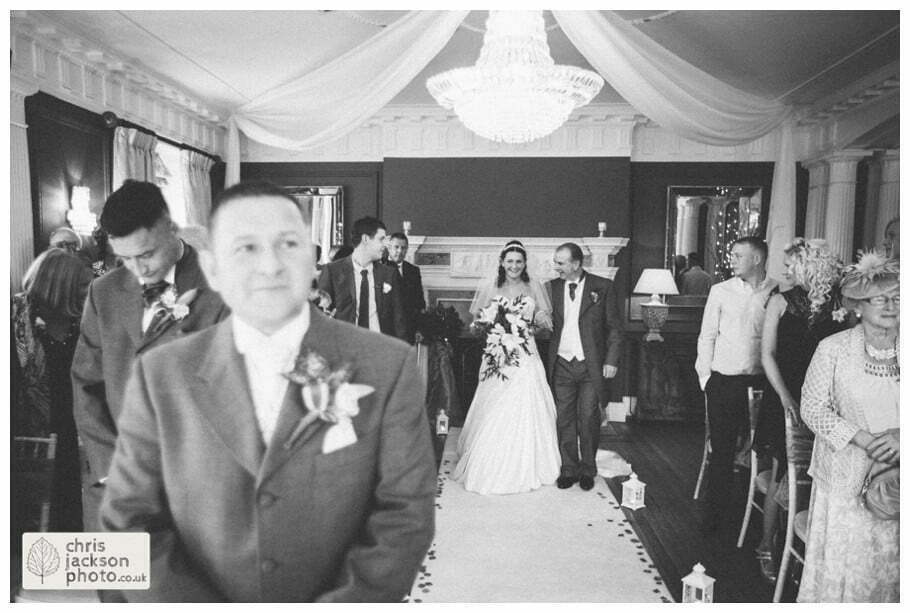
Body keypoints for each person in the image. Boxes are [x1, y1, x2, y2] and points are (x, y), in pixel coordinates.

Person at [100, 180, 436, 602]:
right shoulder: (160, 375)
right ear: (213, 268)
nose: (271, 266)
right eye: (246, 248)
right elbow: (129, 523)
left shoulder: (389, 367)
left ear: (313, 262)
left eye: (289, 244)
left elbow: (405, 517)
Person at [71, 180, 228, 532]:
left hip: (193, 493)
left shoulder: (222, 287)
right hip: (116, 490)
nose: (138, 270)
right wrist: (113, 468)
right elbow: (86, 386)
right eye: (124, 259)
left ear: (172, 230)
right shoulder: (104, 292)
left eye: (146, 254)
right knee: (119, 588)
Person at [796, 251, 899, 602]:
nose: (890, 306)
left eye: (897, 297)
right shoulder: (833, 349)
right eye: (879, 299)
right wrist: (861, 438)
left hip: (900, 482)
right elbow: (811, 407)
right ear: (857, 306)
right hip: (845, 481)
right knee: (848, 574)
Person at [752, 238, 846, 581]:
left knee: (816, 476)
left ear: (812, 266)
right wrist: (786, 398)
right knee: (782, 471)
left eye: (792, 265)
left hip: (824, 402)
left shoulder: (840, 304)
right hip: (785, 397)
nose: (786, 271)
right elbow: (767, 355)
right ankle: (766, 545)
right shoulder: (779, 301)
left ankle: (803, 552)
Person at [451, 241, 560, 495]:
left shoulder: (534, 287)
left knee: (526, 399)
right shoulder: (492, 286)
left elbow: (544, 321)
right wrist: (488, 329)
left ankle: (529, 460)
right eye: (509, 261)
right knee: (494, 402)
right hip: (497, 353)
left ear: (524, 264)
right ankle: (488, 457)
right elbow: (476, 322)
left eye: (518, 261)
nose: (514, 266)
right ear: (502, 262)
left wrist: (531, 327)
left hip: (525, 353)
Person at [695, 236, 776, 530]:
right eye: (732, 254)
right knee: (723, 450)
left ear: (757, 259)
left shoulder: (777, 292)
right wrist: (706, 378)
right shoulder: (721, 291)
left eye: (738, 255)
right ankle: (715, 516)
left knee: (761, 450)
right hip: (724, 382)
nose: (732, 259)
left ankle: (756, 517)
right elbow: (707, 336)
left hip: (762, 383)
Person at [13, 248, 93, 531]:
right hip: (25, 428)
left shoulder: (80, 321)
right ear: (61, 285)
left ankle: (61, 570)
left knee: (66, 505)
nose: (89, 289)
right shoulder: (16, 318)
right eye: (83, 285)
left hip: (67, 425)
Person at [547, 242, 623, 491]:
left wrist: (611, 360)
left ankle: (588, 469)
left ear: (576, 264)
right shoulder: (551, 288)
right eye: (555, 261)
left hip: (591, 365)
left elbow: (614, 328)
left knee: (588, 417)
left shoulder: (603, 287)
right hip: (561, 363)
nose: (555, 266)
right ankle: (568, 469)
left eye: (560, 262)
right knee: (564, 418)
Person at [317, 217, 407, 341]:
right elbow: (320, 316)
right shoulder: (333, 272)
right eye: (381, 239)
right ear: (365, 239)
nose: (385, 246)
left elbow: (399, 319)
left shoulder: (389, 274)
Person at [385, 232, 426, 344]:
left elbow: (419, 302)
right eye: (396, 247)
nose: (400, 251)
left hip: (409, 328)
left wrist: (419, 329)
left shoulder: (413, 270)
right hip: (387, 329)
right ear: (389, 248)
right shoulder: (380, 268)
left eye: (403, 248)